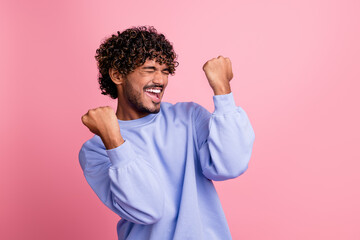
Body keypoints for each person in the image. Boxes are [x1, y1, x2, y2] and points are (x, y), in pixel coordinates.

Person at [79, 26, 255, 240]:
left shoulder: (189, 116)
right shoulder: (97, 149)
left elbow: (231, 165)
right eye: (150, 69)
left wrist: (222, 90)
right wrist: (115, 142)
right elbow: (147, 209)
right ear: (117, 74)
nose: (161, 80)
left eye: (165, 71)